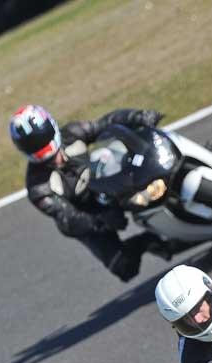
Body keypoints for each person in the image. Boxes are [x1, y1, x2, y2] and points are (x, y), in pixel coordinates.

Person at [10, 104, 172, 281]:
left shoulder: (72, 133)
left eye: (42, 137)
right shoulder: (38, 188)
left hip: (106, 182)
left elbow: (107, 123)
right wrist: (100, 222)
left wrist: (138, 117)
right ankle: (146, 241)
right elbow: (69, 219)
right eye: (33, 143)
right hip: (88, 215)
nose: (43, 146)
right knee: (124, 267)